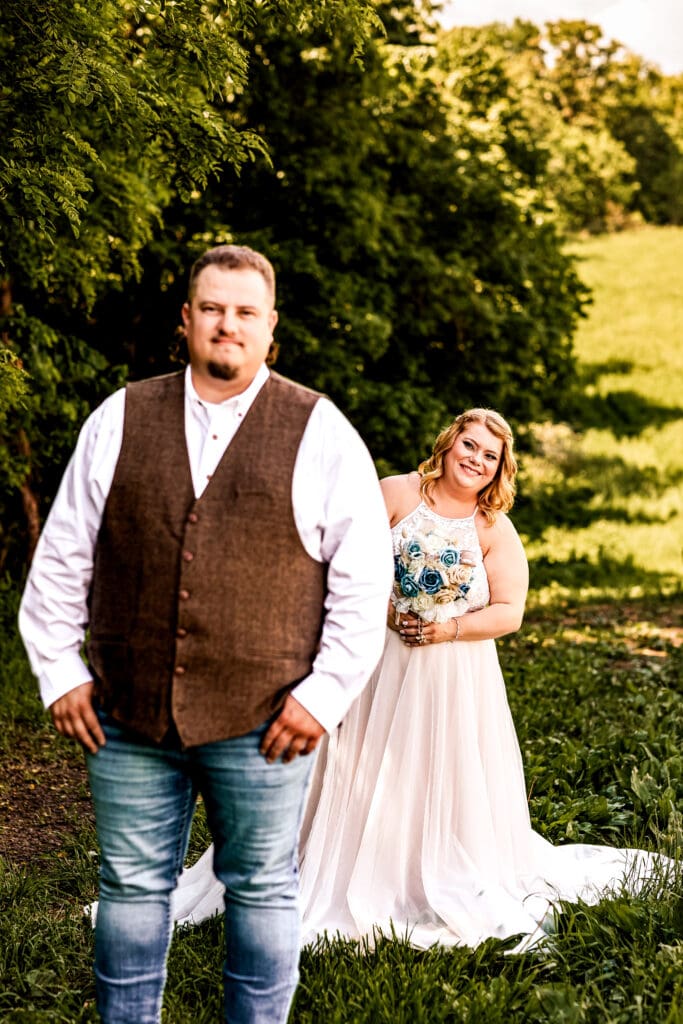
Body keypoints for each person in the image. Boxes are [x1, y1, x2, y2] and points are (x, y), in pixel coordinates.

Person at [18, 243, 394, 1023]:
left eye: (245, 312)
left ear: (270, 328)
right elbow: (62, 554)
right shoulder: (120, 416)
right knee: (129, 887)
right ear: (186, 320)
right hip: (127, 713)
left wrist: (323, 696)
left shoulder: (319, 429)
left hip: (264, 717)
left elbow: (364, 581)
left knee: (260, 887)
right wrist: (59, 670)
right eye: (213, 309)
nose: (228, 325)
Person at [170, 407, 671, 952]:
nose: (475, 460)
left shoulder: (492, 529)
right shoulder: (394, 494)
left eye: (489, 455)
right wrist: (385, 610)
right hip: (373, 657)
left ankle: (413, 870)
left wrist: (448, 628)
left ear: (499, 468)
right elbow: (337, 561)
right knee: (350, 759)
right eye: (469, 446)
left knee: (431, 769)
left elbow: (510, 611)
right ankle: (328, 859)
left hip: (449, 675)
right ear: (449, 443)